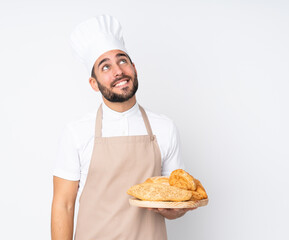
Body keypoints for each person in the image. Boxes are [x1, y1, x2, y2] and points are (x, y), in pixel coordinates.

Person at [51, 15, 196, 240]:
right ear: (94, 84)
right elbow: (63, 205)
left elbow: (175, 198)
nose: (118, 71)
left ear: (134, 68)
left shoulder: (164, 128)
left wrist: (176, 209)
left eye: (122, 61)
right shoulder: (77, 132)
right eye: (105, 66)